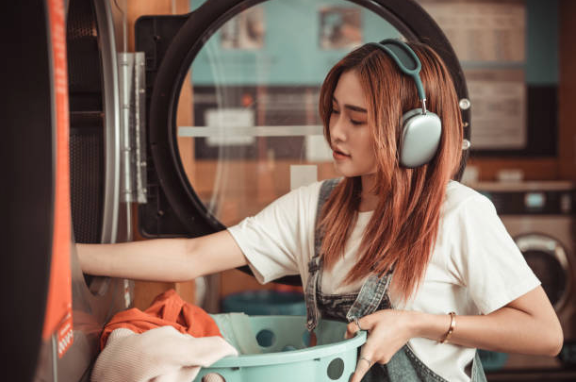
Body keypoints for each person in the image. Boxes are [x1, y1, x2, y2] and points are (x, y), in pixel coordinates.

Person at [78, 39, 563, 382]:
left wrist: (419, 322)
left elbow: (545, 334)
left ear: (415, 133)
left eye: (357, 119)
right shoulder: (317, 207)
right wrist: (67, 253)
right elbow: (190, 256)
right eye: (333, 111)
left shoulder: (458, 214)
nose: (335, 132)